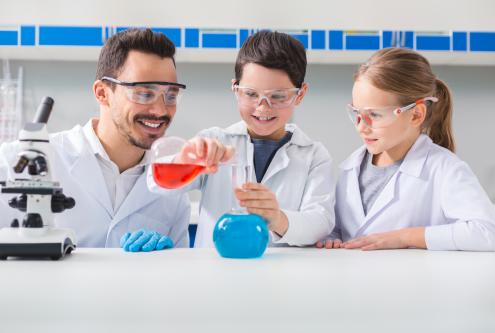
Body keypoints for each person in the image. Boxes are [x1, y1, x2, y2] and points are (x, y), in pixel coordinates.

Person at [0, 29, 190, 251]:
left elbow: (177, 279)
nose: (160, 110)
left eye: (171, 95)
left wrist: (165, 260)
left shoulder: (172, 186)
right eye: (144, 93)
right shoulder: (16, 162)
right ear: (102, 93)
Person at [148, 31, 335, 248]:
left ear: (300, 94)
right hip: (216, 274)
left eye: (278, 96)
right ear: (235, 89)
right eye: (251, 94)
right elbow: (157, 185)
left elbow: (320, 221)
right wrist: (186, 159)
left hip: (281, 276)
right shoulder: (213, 141)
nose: (263, 107)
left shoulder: (313, 155)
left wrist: (278, 218)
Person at [317, 47, 495, 251]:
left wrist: (406, 237)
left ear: (415, 115)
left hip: (413, 281)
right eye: (356, 113)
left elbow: (487, 232)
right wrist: (331, 236)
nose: (361, 126)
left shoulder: (444, 168)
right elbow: (343, 228)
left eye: (375, 115)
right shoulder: (351, 167)